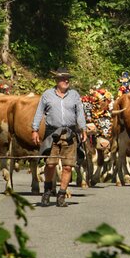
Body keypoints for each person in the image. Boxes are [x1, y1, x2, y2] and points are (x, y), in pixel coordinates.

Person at [31, 67, 87, 207]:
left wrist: (83, 129)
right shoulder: (47, 95)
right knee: (50, 164)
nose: (66, 80)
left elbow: (79, 113)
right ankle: (47, 192)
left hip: (70, 133)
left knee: (68, 167)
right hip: (52, 134)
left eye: (67, 78)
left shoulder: (74, 95)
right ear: (56, 80)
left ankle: (61, 195)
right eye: (63, 78)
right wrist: (35, 129)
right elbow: (39, 112)